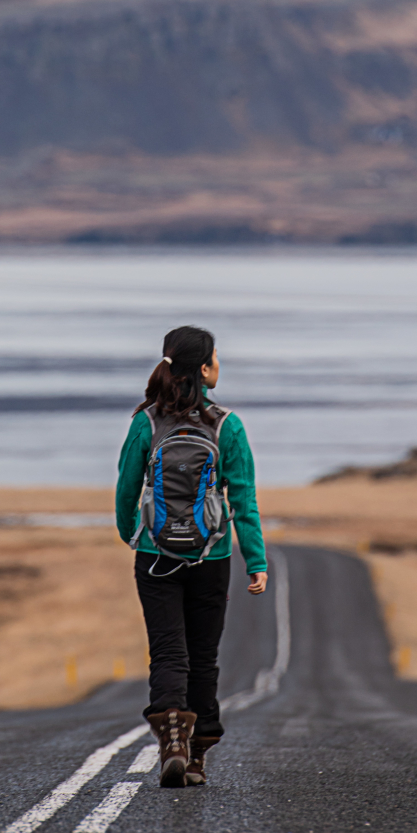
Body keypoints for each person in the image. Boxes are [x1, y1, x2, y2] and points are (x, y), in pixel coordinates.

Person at [115, 324, 267, 788]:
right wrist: (256, 561)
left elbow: (126, 488)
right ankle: (197, 754)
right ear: (203, 369)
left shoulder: (146, 421)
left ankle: (172, 743)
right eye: (216, 358)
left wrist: (132, 535)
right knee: (202, 657)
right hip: (212, 555)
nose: (219, 365)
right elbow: (244, 500)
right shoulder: (228, 425)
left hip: (154, 554)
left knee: (167, 651)